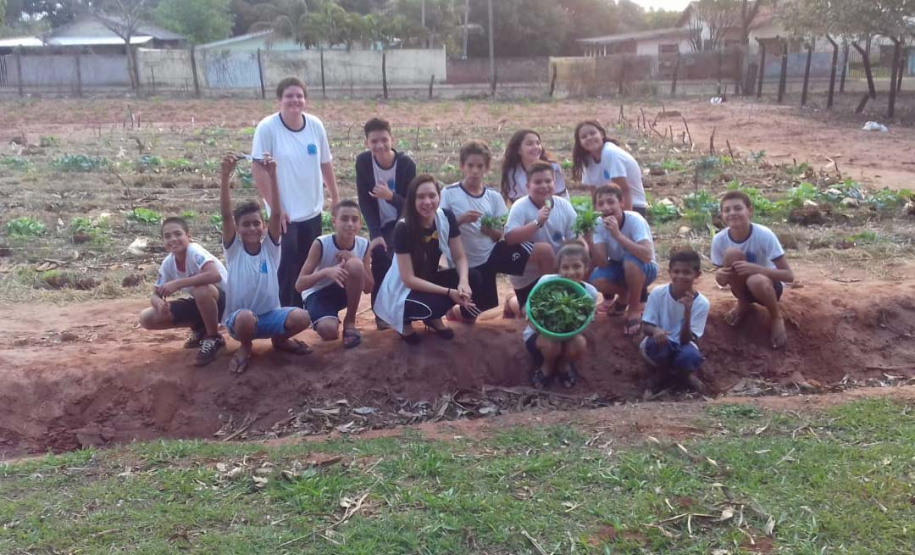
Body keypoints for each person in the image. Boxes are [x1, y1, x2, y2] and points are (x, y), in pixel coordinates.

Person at [440, 140, 554, 322]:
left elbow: (501, 234)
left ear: (487, 168)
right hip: (466, 262)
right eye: (470, 165)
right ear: (462, 166)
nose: (475, 171)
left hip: (491, 254)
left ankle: (548, 303)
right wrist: (460, 220)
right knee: (477, 311)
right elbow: (440, 227)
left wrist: (490, 231)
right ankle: (454, 312)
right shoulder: (449, 193)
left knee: (544, 251)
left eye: (480, 166)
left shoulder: (493, 196)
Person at [251, 76, 339, 309]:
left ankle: (307, 311)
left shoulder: (315, 125)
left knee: (309, 266)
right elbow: (258, 169)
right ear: (279, 99)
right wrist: (276, 210)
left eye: (299, 96)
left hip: (312, 210)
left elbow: (325, 164)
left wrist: (335, 198)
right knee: (286, 266)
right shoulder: (267, 128)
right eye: (289, 96)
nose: (295, 100)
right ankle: (284, 315)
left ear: (305, 100)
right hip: (285, 216)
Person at [220, 153, 312, 374]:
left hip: (270, 317)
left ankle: (279, 341)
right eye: (245, 225)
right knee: (245, 318)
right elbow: (225, 216)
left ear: (263, 225)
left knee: (302, 317)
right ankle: (245, 346)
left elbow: (277, 212)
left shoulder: (271, 250)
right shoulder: (234, 251)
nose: (252, 228)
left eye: (256, 223)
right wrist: (225, 177)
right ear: (238, 228)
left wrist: (273, 176)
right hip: (240, 321)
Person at [374, 174, 476, 344]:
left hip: (429, 278)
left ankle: (433, 318)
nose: (427, 202)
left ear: (439, 197)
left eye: (432, 195)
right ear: (412, 201)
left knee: (474, 278)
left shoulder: (445, 218)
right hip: (404, 290)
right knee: (435, 304)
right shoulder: (403, 228)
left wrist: (463, 282)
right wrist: (449, 292)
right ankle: (405, 322)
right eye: (420, 197)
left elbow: (459, 256)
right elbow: (408, 279)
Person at [139, 217, 228, 366]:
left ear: (188, 236)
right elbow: (155, 293)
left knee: (201, 290)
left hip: (226, 302)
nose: (173, 239)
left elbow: (214, 275)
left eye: (178, 234)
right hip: (204, 304)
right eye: (167, 236)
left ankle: (213, 338)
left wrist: (178, 283)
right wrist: (159, 303)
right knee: (146, 318)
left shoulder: (194, 251)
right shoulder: (168, 263)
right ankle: (201, 327)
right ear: (163, 241)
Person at [355, 117, 417, 330]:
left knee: (397, 260)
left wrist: (390, 196)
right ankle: (380, 314)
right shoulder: (363, 162)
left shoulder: (406, 164)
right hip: (379, 223)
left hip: (402, 221)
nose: (379, 145)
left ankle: (403, 309)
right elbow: (364, 199)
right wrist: (374, 233)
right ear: (366, 143)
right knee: (380, 255)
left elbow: (412, 203)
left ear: (392, 139)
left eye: (384, 140)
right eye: (374, 141)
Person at [711, 191, 794, 349]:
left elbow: (789, 276)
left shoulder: (764, 234)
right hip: (741, 288)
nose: (732, 213)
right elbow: (722, 275)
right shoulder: (719, 239)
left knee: (756, 280)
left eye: (738, 208)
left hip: (768, 288)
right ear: (722, 215)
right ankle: (743, 303)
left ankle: (776, 316)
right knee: (732, 254)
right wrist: (720, 276)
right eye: (727, 210)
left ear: (749, 211)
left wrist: (757, 269)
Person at [503, 160, 580, 316]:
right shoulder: (520, 206)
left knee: (583, 252)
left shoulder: (563, 205)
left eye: (548, 181)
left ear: (554, 183)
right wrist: (537, 222)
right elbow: (509, 238)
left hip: (557, 268)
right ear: (528, 186)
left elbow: (575, 240)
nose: (544, 186)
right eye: (538, 182)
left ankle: (562, 294)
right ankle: (513, 302)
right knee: (534, 313)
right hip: (527, 275)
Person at [295, 200, 374, 349]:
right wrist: (326, 272)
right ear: (334, 221)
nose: (350, 224)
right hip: (318, 293)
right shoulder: (321, 244)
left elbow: (369, 288)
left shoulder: (364, 245)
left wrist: (354, 259)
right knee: (329, 331)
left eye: (354, 219)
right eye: (344, 219)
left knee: (355, 265)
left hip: (344, 290)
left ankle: (349, 322)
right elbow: (299, 285)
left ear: (360, 223)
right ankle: (323, 317)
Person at [523, 242, 598, 389]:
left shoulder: (590, 293)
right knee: (552, 344)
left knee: (580, 343)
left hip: (570, 337)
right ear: (558, 269)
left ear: (586, 268)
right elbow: (529, 310)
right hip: (540, 337)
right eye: (565, 267)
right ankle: (547, 367)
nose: (571, 272)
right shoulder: (546, 282)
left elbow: (585, 321)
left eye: (576, 266)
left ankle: (563, 366)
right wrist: (537, 322)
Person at [588, 184, 659, 337]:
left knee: (630, 260)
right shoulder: (598, 224)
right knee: (595, 279)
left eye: (610, 202)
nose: (606, 207)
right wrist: (589, 241)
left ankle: (634, 309)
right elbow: (601, 263)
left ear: (621, 203)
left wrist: (618, 236)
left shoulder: (635, 220)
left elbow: (646, 255)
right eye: (601, 204)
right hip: (619, 267)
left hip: (645, 267)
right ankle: (625, 295)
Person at [640, 248, 710, 394]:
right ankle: (661, 375)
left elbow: (687, 339)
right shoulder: (658, 293)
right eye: (676, 272)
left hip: (682, 345)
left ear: (697, 275)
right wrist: (656, 330)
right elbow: (646, 326)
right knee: (661, 346)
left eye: (686, 272)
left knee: (690, 356)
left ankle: (683, 376)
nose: (680, 276)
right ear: (670, 272)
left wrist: (687, 311)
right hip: (660, 344)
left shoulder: (702, 303)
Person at [571, 120, 647, 216]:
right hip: (608, 207)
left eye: (593, 133)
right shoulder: (587, 160)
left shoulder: (610, 152)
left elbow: (624, 189)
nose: (589, 138)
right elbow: (594, 194)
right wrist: (596, 218)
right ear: (580, 143)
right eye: (584, 137)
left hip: (632, 206)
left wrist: (628, 219)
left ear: (602, 134)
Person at [500, 129, 567, 203]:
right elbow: (516, 201)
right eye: (529, 144)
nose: (536, 147)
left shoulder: (553, 167)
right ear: (519, 150)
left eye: (538, 143)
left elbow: (560, 198)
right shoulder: (513, 172)